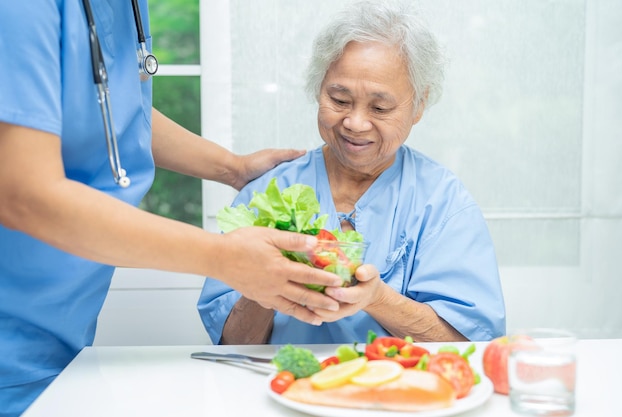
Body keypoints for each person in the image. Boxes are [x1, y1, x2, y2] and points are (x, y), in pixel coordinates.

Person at [0, 2, 346, 416]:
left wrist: (232, 168)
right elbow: (25, 197)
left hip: (60, 345)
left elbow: (108, 103)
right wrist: (223, 258)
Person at [197, 0, 506, 345]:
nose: (355, 123)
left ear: (419, 104)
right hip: (280, 387)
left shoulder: (443, 201)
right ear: (319, 89)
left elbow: (469, 344)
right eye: (340, 100)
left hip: (396, 393)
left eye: (380, 107)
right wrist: (265, 285)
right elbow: (230, 345)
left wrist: (377, 298)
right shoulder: (269, 191)